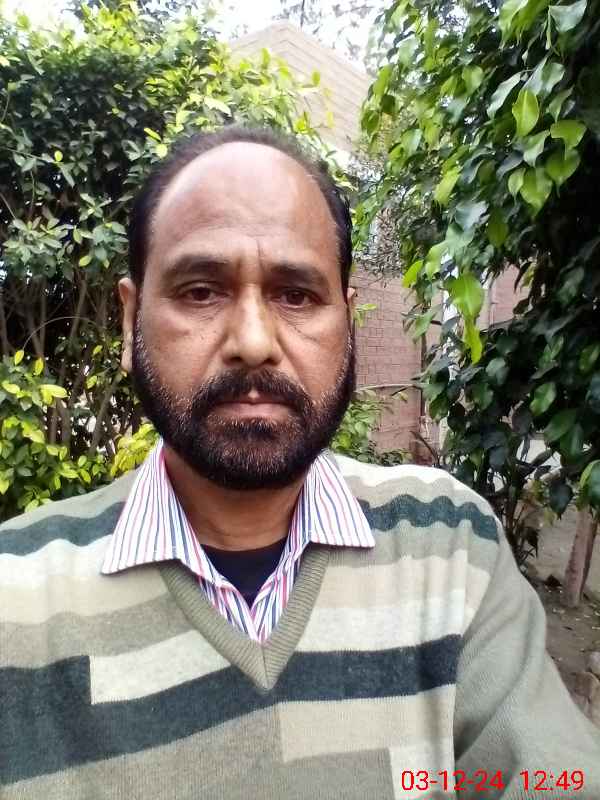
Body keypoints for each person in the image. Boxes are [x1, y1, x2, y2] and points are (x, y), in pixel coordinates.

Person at [0, 126, 598, 800]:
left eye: (296, 295)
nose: (254, 342)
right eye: (200, 291)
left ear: (347, 322)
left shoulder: (451, 546)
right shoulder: (14, 598)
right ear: (130, 318)